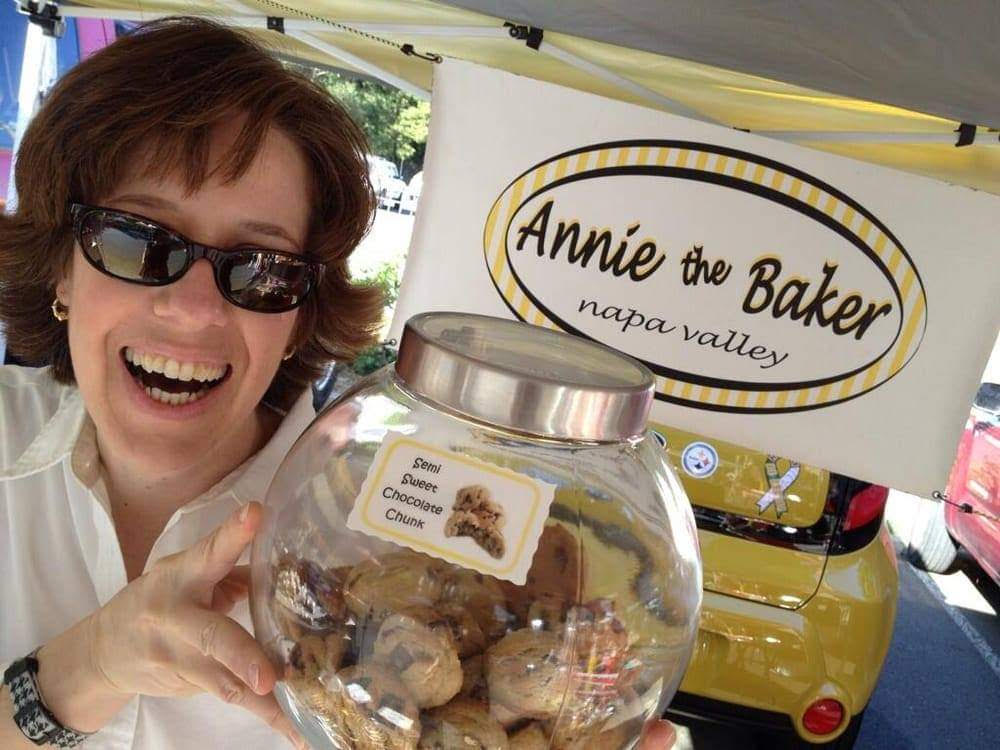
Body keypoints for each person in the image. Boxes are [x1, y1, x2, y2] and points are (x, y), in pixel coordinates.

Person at [0, 17, 675, 750]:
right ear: (60, 268)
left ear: (298, 318)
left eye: (262, 268)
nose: (193, 309)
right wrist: (85, 669)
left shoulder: (401, 543)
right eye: (136, 239)